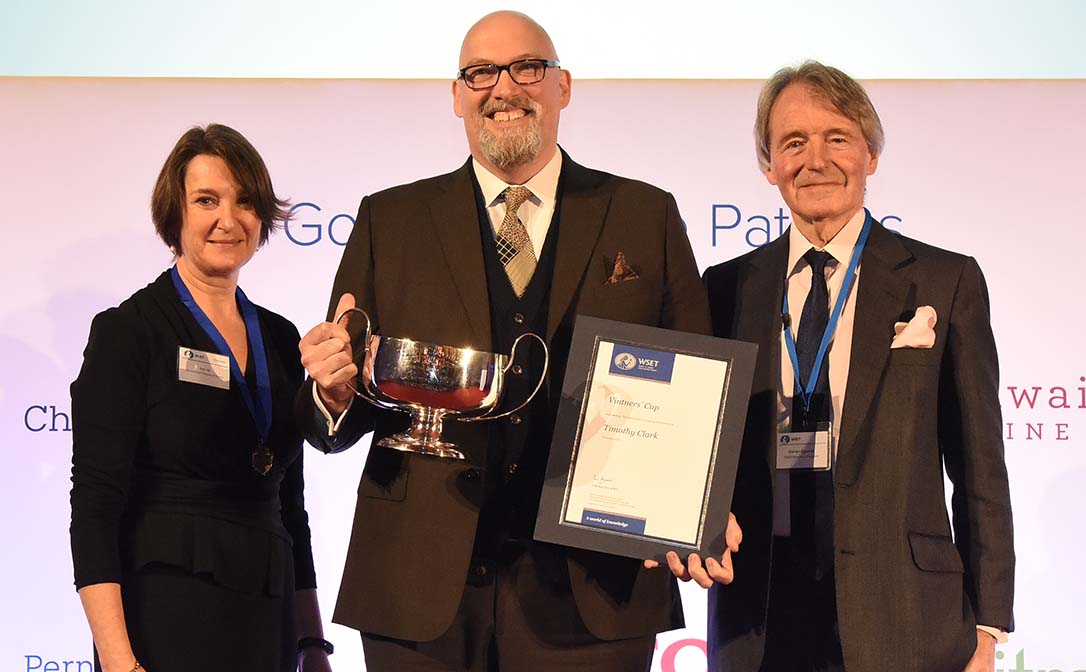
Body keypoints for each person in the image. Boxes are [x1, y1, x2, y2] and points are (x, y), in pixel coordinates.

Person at [295, 10, 736, 671]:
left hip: (594, 586)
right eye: (480, 72)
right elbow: (343, 413)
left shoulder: (646, 215)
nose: (504, 89)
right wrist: (331, 392)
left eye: (527, 67)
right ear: (456, 95)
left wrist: (696, 507)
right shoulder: (390, 220)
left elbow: (697, 395)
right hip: (416, 586)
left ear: (562, 86)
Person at [703, 61, 1015, 672]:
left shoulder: (943, 280)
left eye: (836, 138)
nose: (814, 160)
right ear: (769, 166)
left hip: (910, 616)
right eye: (793, 142)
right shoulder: (724, 289)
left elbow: (981, 467)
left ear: (870, 155)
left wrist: (989, 624)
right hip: (758, 620)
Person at [70, 124, 333, 672]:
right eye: (207, 200)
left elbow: (292, 510)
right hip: (163, 615)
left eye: (244, 202)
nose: (227, 219)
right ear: (176, 212)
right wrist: (118, 661)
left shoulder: (283, 339)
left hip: (267, 616)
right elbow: (96, 508)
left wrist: (311, 644)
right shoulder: (130, 331)